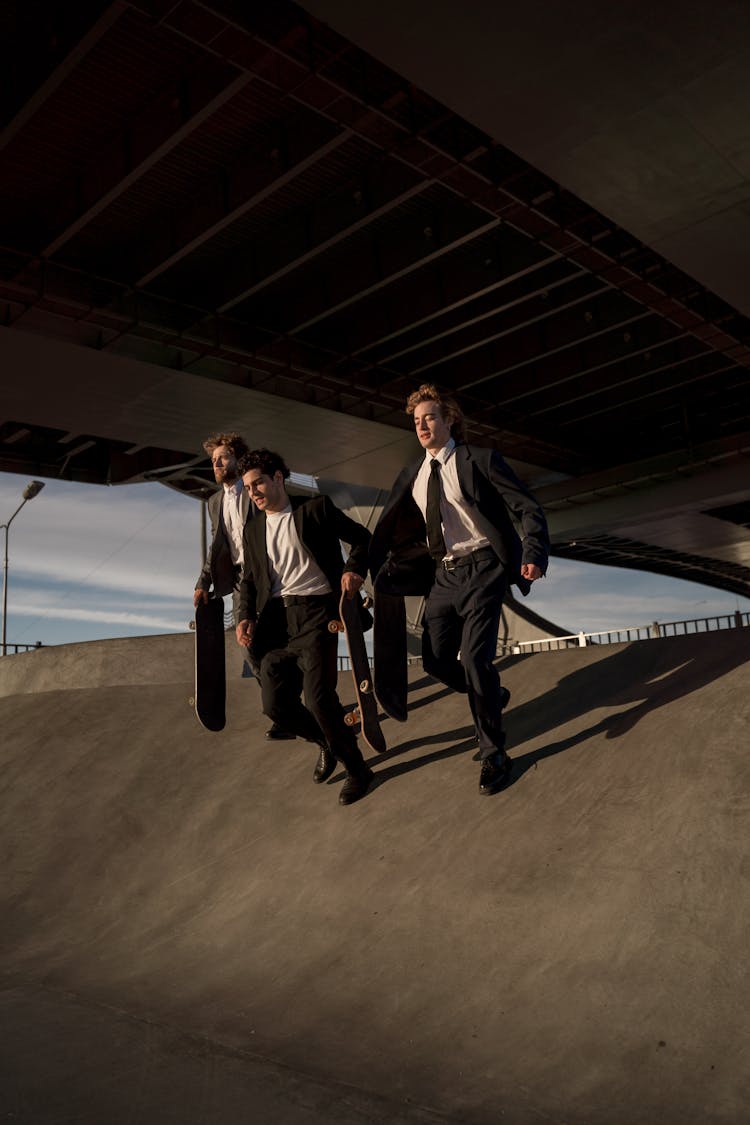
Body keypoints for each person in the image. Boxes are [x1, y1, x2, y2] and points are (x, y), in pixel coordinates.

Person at [370, 383, 550, 795]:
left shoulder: (480, 460)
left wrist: (534, 553)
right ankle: (493, 694)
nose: (422, 426)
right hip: (443, 575)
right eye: (416, 421)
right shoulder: (412, 474)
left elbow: (526, 507)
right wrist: (370, 571)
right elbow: (393, 528)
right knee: (434, 661)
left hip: (485, 567)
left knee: (473, 658)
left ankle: (494, 754)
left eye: (430, 417)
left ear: (450, 419)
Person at [235, 448, 375, 806]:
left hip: (318, 614)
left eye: (259, 483)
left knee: (318, 699)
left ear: (279, 478)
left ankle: (358, 769)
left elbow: (363, 538)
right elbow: (249, 579)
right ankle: (326, 742)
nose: (253, 492)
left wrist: (353, 569)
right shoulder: (253, 529)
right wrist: (244, 615)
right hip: (278, 622)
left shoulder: (315, 509)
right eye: (248, 487)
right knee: (275, 705)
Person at [193, 432, 291, 741]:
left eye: (223, 457)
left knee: (277, 642)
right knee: (250, 648)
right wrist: (203, 582)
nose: (217, 464)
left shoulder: (254, 489)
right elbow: (217, 546)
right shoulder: (214, 502)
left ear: (238, 458)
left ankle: (289, 707)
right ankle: (282, 710)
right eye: (213, 461)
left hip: (270, 574)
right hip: (238, 580)